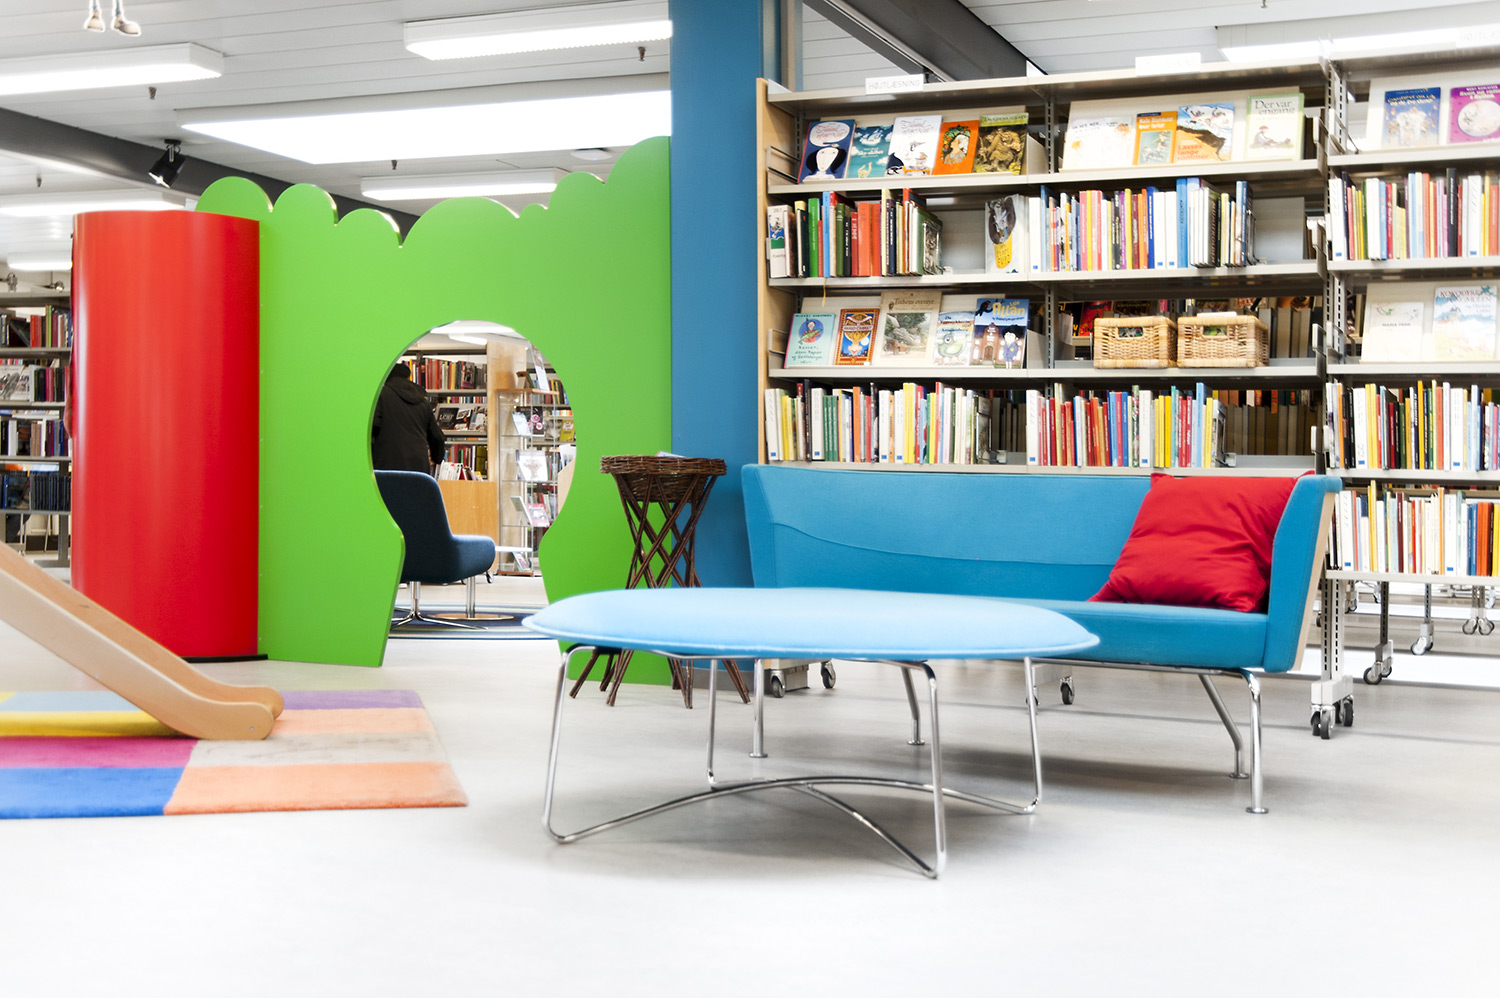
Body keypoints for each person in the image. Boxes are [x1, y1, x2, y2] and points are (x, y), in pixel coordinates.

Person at [371, 364, 446, 474]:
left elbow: (372, 428)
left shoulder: (381, 396)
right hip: (419, 467)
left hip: (386, 466)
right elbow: (437, 437)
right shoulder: (423, 402)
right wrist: (437, 458)